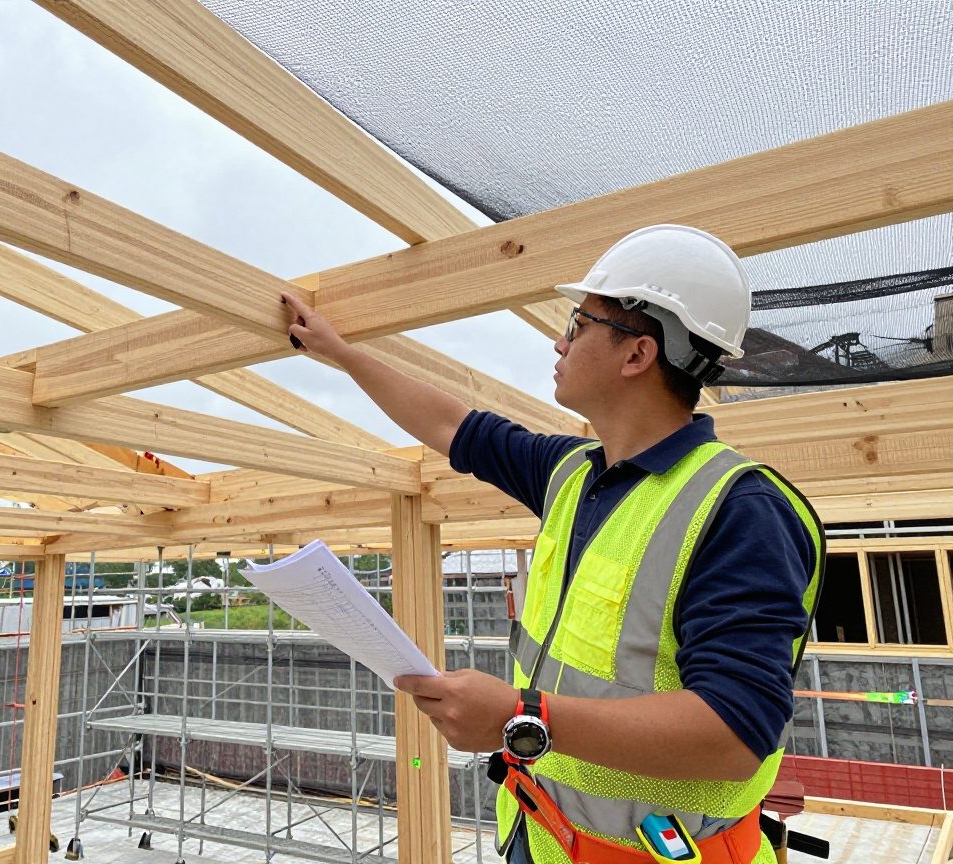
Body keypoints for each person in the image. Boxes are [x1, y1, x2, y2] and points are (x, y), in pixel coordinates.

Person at [281, 224, 823, 864]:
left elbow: (734, 734)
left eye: (579, 324)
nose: (559, 341)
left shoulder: (740, 508)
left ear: (637, 354)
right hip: (541, 835)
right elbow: (452, 425)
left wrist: (521, 716)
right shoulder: (571, 472)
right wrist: (340, 353)